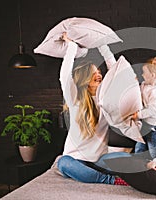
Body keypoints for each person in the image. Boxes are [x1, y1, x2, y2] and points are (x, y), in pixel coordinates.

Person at [56, 32, 129, 185]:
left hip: (99, 162)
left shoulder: (107, 98)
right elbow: (64, 76)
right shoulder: (76, 99)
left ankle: (92, 174)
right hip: (75, 160)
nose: (99, 75)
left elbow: (115, 71)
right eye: (93, 73)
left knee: (128, 159)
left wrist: (102, 44)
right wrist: (71, 47)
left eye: (99, 72)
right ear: (85, 78)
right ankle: (110, 180)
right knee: (63, 163)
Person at [132, 57, 156, 159]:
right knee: (139, 148)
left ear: (152, 75)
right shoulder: (144, 84)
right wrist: (134, 84)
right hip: (145, 124)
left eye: (144, 72)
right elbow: (137, 93)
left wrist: (138, 115)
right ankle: (138, 163)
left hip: (155, 127)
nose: (142, 75)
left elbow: (153, 110)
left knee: (154, 151)